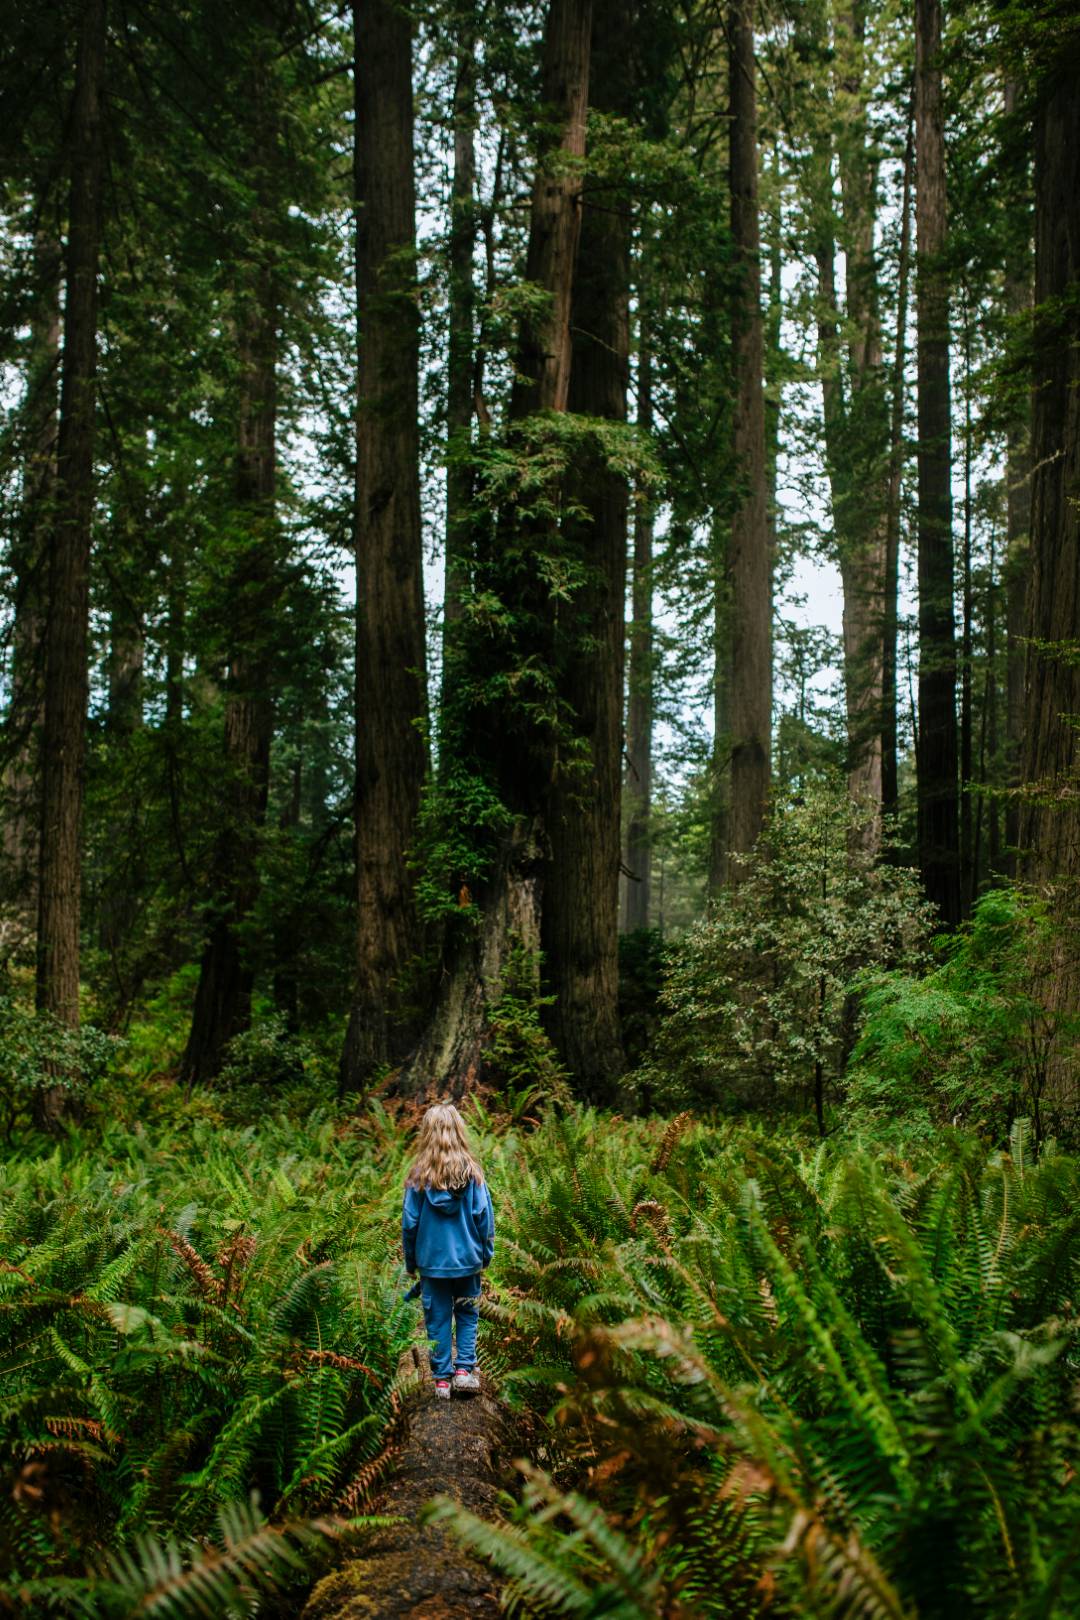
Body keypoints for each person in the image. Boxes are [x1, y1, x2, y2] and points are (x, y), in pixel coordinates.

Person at [402, 1101, 495, 1400]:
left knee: (437, 1318)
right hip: (468, 1261)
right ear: (459, 1133)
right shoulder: (473, 1176)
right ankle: (464, 1372)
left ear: (426, 1135)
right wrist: (486, 1256)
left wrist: (412, 1262)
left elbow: (409, 1224)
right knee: (467, 1314)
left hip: (432, 1263)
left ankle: (442, 1380)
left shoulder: (418, 1178)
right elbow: (485, 1220)